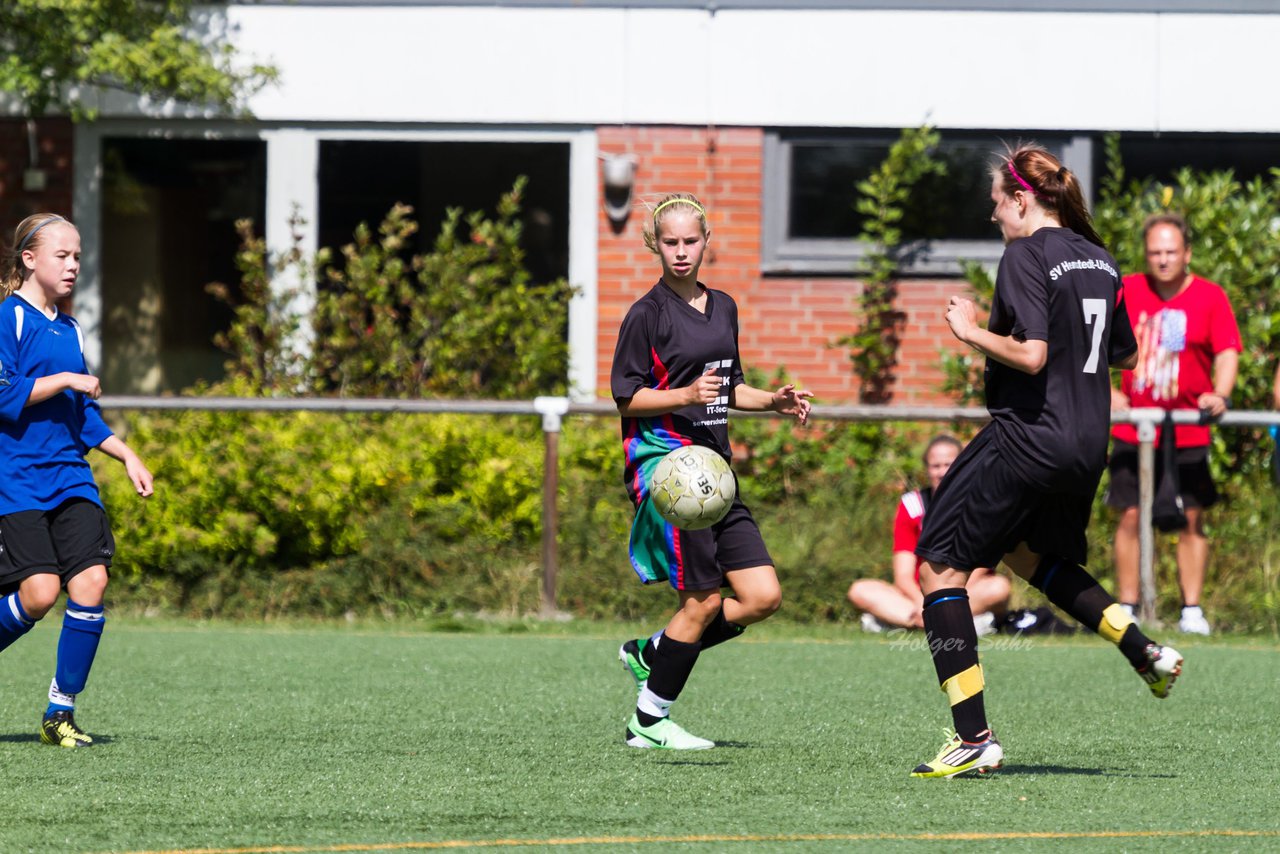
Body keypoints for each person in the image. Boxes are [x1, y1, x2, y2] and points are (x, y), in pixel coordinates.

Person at [908, 146, 1184, 779]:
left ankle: (972, 737)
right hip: (1087, 443)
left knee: (938, 570)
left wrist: (970, 329)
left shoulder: (1025, 254)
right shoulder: (1103, 260)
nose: (997, 218)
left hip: (1030, 435)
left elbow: (1031, 356)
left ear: (1022, 198)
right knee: (1029, 555)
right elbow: (1124, 354)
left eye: (997, 206)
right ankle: (1143, 652)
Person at [610, 193, 812, 750]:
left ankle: (652, 652)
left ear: (706, 241)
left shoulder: (723, 306)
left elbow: (730, 385)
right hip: (669, 468)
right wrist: (684, 393)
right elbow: (626, 397)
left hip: (715, 474)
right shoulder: (645, 314)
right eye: (669, 242)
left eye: (690, 241)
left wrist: (772, 400)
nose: (681, 251)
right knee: (699, 601)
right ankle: (648, 723)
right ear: (656, 244)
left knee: (761, 597)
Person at [0, 213, 154, 748]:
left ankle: (58, 713)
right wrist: (66, 377)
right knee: (39, 595)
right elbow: (3, 396)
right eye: (62, 256)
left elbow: (80, 416)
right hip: (16, 481)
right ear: (29, 260)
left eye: (77, 256)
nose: (73, 266)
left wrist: (126, 453)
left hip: (71, 477)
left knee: (91, 582)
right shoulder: (9, 320)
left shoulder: (69, 328)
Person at [1106, 213, 1240, 635]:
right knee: (1129, 515)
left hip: (1186, 428)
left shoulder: (1210, 296)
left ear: (1187, 254)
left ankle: (1191, 610)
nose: (1163, 260)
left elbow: (1227, 350)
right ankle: (1127, 605)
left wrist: (1220, 391)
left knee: (1191, 517)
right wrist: (1106, 392)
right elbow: (1089, 342)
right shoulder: (1126, 289)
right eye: (1155, 252)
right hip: (1134, 426)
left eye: (1170, 252)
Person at [847, 435, 1010, 634]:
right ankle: (952, 622)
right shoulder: (911, 505)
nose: (942, 472)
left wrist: (949, 600)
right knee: (860, 590)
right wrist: (926, 605)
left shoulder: (981, 504)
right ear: (927, 469)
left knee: (999, 588)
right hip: (919, 597)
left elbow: (981, 568)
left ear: (963, 467)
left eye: (949, 464)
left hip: (965, 591)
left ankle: (906, 622)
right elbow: (903, 575)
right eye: (936, 466)